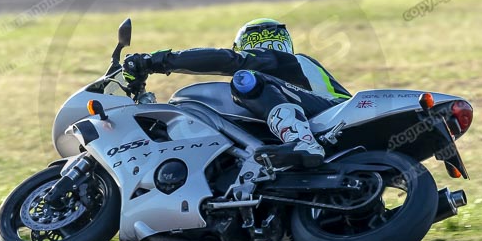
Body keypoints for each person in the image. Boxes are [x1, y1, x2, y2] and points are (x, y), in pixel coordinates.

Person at [122, 18, 351, 167]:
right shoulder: (286, 79)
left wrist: (158, 61)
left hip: (334, 116)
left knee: (247, 80)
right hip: (327, 121)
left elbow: (226, 60)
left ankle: (302, 141)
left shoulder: (287, 62)